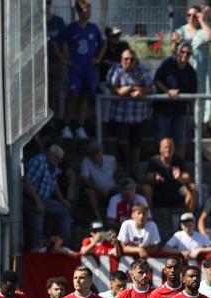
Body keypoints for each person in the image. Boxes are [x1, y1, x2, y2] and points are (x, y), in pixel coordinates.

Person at [58, 0, 105, 140]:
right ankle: (66, 125)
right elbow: (56, 41)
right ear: (79, 11)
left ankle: (80, 126)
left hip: (88, 70)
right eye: (85, 9)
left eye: (89, 10)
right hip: (75, 70)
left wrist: (98, 59)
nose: (88, 12)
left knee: (84, 97)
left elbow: (103, 44)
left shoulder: (93, 28)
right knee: (72, 97)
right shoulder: (71, 28)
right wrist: (63, 59)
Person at [106, 48, 154, 174]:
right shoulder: (115, 69)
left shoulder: (141, 70)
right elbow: (112, 87)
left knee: (136, 144)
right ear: (121, 60)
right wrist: (123, 91)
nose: (129, 61)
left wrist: (140, 91)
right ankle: (123, 169)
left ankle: (133, 172)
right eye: (126, 59)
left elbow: (149, 86)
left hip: (138, 116)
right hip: (121, 116)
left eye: (132, 59)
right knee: (122, 142)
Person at [173, 5, 211, 128]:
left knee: (202, 96)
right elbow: (174, 51)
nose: (192, 17)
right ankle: (186, 124)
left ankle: (203, 124)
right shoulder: (181, 30)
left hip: (201, 71)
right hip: (185, 69)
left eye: (195, 15)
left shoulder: (204, 30)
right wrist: (175, 43)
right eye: (189, 15)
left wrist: (202, 20)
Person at [152, 43, 198, 159]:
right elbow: (157, 80)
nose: (185, 55)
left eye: (188, 53)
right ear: (178, 52)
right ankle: (162, 168)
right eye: (183, 52)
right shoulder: (167, 64)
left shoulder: (191, 72)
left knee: (181, 141)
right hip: (163, 110)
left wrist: (191, 114)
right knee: (162, 141)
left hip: (180, 112)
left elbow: (192, 95)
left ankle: (179, 168)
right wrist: (168, 92)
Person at [23, 145, 69, 251]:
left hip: (46, 200)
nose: (58, 161)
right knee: (37, 225)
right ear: (50, 154)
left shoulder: (54, 166)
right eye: (57, 158)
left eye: (60, 159)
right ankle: (36, 250)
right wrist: (37, 202)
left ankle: (64, 244)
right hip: (31, 200)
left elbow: (54, 184)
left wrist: (62, 199)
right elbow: (27, 182)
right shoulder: (39, 162)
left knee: (64, 211)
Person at [79, 141, 118, 223]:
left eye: (98, 152)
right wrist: (98, 189)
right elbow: (85, 180)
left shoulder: (111, 159)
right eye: (93, 153)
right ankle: (98, 218)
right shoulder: (86, 162)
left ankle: (116, 218)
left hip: (112, 188)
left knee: (121, 191)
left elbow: (117, 174)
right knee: (90, 193)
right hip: (97, 189)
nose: (96, 154)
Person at [46, 0, 68, 126]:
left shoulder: (58, 22)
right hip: (40, 66)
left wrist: (64, 60)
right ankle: (43, 124)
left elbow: (64, 42)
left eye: (48, 2)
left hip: (56, 63)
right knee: (42, 96)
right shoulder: (35, 22)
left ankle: (53, 122)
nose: (46, 5)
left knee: (55, 94)